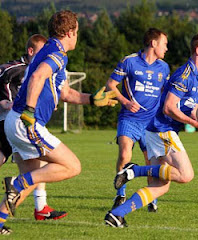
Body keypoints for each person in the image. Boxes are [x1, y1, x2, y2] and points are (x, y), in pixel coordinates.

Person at [0, 10, 118, 235]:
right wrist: (30, 112)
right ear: (70, 32)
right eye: (77, 32)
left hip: (16, 121)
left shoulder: (51, 50)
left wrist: (91, 100)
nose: (77, 36)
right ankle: (16, 183)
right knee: (72, 166)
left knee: (30, 181)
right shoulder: (57, 53)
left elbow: (65, 93)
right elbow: (37, 77)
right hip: (27, 122)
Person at [104, 34, 198, 227]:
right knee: (186, 174)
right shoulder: (184, 75)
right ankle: (135, 170)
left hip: (158, 130)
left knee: (160, 187)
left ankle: (116, 214)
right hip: (162, 129)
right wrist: (195, 124)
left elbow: (193, 108)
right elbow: (169, 108)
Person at [0, 34, 68, 224]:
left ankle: (40, 208)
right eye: (40, 53)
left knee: (34, 171)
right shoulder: (13, 69)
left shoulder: (39, 68)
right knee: (28, 171)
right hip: (12, 122)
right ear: (31, 52)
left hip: (21, 123)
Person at [106, 28, 170, 212]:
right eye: (164, 44)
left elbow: (165, 94)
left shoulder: (164, 68)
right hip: (129, 119)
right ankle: (121, 194)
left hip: (151, 124)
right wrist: (125, 102)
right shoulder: (130, 61)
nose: (166, 48)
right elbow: (110, 84)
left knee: (151, 163)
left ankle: (151, 198)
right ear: (154, 43)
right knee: (125, 154)